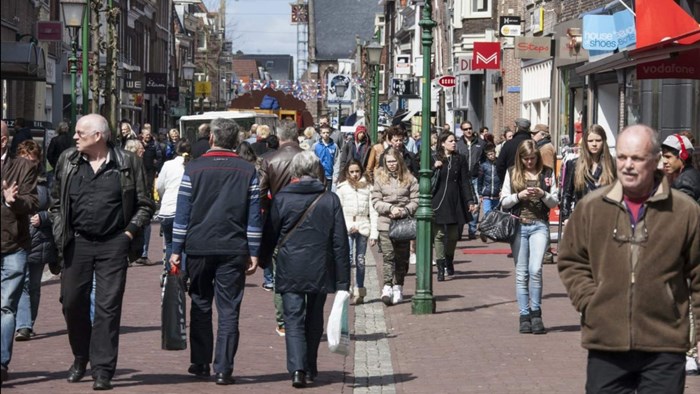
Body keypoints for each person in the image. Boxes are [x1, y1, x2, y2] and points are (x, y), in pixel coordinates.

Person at [558, 124, 700, 393]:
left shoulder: (684, 211)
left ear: (655, 160)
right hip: (607, 341)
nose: (628, 165)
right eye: (622, 157)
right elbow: (571, 259)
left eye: (637, 158)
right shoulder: (593, 207)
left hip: (664, 342)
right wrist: (590, 301)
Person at [50, 114, 154, 390]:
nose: (75, 137)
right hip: (78, 242)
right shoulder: (68, 161)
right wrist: (61, 234)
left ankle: (103, 369)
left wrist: (128, 234)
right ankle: (80, 356)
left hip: (113, 244)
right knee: (72, 303)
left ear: (98, 136)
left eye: (80, 132)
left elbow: (145, 204)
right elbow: (55, 202)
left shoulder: (127, 163)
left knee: (108, 308)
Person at [170, 117, 261, 386]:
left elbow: (182, 212)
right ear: (236, 141)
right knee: (229, 309)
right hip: (233, 247)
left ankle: (200, 361)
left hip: (198, 246)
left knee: (199, 303)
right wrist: (253, 250)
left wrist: (176, 248)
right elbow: (254, 215)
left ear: (211, 138)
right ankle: (223, 368)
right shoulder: (247, 170)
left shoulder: (194, 168)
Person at [260, 151, 350, 388]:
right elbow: (340, 242)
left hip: (290, 266)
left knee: (293, 317)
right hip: (320, 266)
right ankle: (310, 366)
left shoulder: (282, 199)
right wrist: (343, 281)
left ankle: (297, 369)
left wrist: (261, 259)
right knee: (314, 317)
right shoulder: (330, 199)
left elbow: (270, 233)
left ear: (295, 172)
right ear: (317, 170)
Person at [501, 140, 558, 335]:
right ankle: (524, 315)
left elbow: (554, 202)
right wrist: (519, 195)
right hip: (518, 226)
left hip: (539, 225)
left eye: (533, 158)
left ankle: (536, 313)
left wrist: (543, 193)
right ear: (520, 158)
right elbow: (504, 201)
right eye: (525, 159)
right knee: (521, 272)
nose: (529, 162)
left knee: (536, 269)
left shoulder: (548, 173)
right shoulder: (512, 172)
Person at [259, 119, 308, 336]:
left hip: (279, 223)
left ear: (279, 138)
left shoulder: (269, 160)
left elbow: (260, 194)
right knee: (305, 273)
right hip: (307, 222)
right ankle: (302, 318)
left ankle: (283, 321)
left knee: (280, 275)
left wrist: (271, 209)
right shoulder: (309, 157)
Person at [1, 120, 38, 384]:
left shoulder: (23, 166)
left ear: (3, 141)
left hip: (13, 245)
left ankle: (1, 362)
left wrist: (13, 201)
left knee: (5, 307)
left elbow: (33, 200)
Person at [661, 134, 700, 376]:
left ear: (682, 157)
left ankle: (689, 354)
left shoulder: (687, 182)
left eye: (668, 157)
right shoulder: (679, 178)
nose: (663, 161)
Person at [14, 141, 56, 341]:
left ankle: (28, 322)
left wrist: (44, 218)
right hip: (16, 239)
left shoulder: (47, 182)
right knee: (21, 283)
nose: (27, 164)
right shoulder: (10, 179)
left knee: (34, 286)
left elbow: (59, 210)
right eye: (23, 159)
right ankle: (23, 325)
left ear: (38, 161)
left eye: (31, 161)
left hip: (39, 239)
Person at [372, 147, 418, 306]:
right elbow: (375, 201)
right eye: (388, 162)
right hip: (386, 222)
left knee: (402, 257)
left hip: (403, 222)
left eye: (394, 161)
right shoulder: (379, 179)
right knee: (388, 256)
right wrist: (390, 208)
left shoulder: (409, 178)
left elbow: (416, 200)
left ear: (399, 161)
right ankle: (387, 286)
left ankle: (398, 285)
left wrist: (404, 210)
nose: (391, 164)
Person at [431, 132, 477, 281]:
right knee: (439, 235)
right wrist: (433, 168)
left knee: (453, 235)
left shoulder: (460, 159)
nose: (454, 143)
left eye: (455, 141)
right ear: (442, 143)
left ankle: (449, 259)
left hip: (455, 198)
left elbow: (465, 181)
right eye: (450, 141)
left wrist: (470, 200)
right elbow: (424, 177)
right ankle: (440, 266)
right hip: (438, 199)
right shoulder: (434, 158)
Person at [336, 159, 378, 304]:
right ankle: (345, 289)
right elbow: (338, 211)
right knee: (346, 259)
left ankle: (359, 290)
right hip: (347, 224)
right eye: (352, 172)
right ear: (347, 172)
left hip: (363, 225)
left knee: (360, 260)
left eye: (357, 171)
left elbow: (373, 211)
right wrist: (344, 228)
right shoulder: (342, 188)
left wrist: (374, 233)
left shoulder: (368, 187)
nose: (355, 175)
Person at [560, 125, 616, 223]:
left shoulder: (612, 164)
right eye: (590, 141)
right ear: (585, 143)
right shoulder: (574, 164)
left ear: (604, 141)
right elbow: (567, 193)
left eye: (598, 140)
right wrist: (566, 217)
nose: (594, 144)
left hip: (605, 218)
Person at [157, 140, 191, 275]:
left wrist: (163, 198)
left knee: (170, 243)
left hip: (167, 210)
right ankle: (184, 273)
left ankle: (171, 273)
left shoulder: (167, 165)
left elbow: (159, 186)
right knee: (185, 245)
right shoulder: (191, 165)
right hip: (185, 211)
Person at [456, 121, 487, 240]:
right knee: (461, 203)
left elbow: (484, 160)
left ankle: (472, 230)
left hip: (475, 177)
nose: (468, 131)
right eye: (465, 129)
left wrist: (481, 171)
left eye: (470, 128)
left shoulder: (481, 143)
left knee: (475, 204)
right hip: (462, 177)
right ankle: (458, 230)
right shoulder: (459, 144)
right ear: (462, 131)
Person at [661, 134, 700, 202]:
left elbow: (681, 210)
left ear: (683, 156)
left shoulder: (685, 181)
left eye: (668, 157)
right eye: (663, 157)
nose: (664, 161)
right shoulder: (689, 174)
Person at [477, 142, 502, 237]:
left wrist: (501, 189)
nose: (491, 156)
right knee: (487, 213)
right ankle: (485, 231)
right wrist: (480, 193)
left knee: (496, 213)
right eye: (489, 154)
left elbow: (502, 178)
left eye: (493, 153)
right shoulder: (483, 166)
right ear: (486, 155)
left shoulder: (499, 164)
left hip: (497, 193)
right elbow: (480, 180)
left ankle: (494, 231)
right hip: (486, 193)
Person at [313, 125, 338, 191]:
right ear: (320, 134)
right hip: (318, 175)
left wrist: (335, 175)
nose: (326, 134)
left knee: (328, 194)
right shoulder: (316, 146)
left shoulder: (334, 146)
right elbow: (312, 160)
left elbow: (337, 161)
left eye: (327, 132)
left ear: (330, 133)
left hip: (330, 175)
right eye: (323, 133)